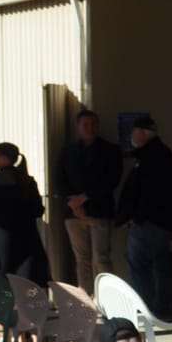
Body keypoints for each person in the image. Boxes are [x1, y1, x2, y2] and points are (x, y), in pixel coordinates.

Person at [117, 114, 172, 317]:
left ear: (143, 133)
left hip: (148, 223)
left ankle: (144, 310)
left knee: (141, 267)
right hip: (163, 222)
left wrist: (136, 217)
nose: (130, 135)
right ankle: (161, 310)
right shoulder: (162, 154)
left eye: (134, 131)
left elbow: (146, 192)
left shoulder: (150, 157)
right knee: (160, 265)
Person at [56, 109, 122, 292]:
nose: (89, 128)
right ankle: (85, 298)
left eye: (93, 124)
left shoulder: (110, 150)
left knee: (101, 258)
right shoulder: (67, 152)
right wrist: (73, 203)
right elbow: (59, 180)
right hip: (73, 213)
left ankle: (109, 297)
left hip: (100, 211)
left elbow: (112, 180)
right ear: (78, 127)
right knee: (81, 258)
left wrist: (85, 198)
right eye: (85, 124)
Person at [0, 143, 51, 284]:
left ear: (4, 158)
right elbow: (38, 210)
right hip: (26, 243)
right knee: (24, 287)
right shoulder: (27, 182)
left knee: (4, 289)